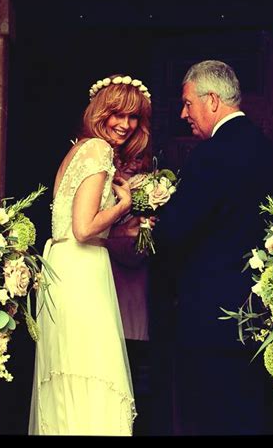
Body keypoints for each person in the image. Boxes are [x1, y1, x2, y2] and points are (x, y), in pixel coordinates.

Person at [150, 60, 273, 435]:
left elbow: (175, 231)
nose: (184, 114)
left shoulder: (210, 155)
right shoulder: (272, 152)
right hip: (262, 317)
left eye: (187, 103)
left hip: (210, 322)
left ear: (212, 101)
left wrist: (155, 221)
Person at [28, 74, 152, 436]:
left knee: (72, 371)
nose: (126, 125)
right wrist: (125, 204)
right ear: (101, 112)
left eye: (134, 118)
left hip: (67, 267)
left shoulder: (79, 150)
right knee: (92, 369)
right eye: (118, 115)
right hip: (81, 270)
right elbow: (84, 228)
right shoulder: (97, 151)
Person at [107, 152, 152, 435]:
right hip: (113, 297)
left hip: (137, 307)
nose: (134, 165)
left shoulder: (144, 192)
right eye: (129, 157)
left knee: (138, 384)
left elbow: (138, 256)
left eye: (140, 158)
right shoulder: (109, 191)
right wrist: (122, 234)